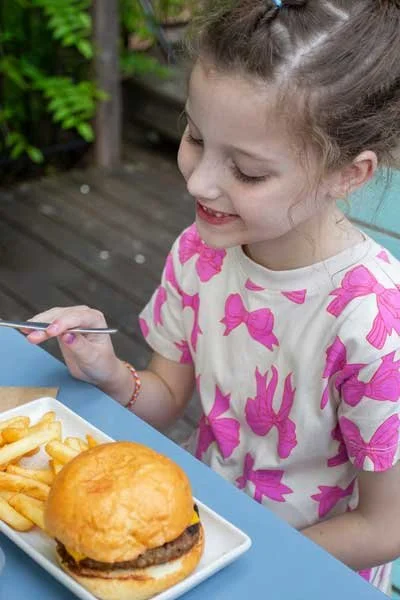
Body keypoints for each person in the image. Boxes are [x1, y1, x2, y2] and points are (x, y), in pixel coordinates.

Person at [23, 0, 400, 594]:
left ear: (347, 174)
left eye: (247, 171)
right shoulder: (202, 253)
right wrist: (113, 374)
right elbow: (168, 396)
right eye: (195, 136)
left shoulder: (373, 323)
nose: (198, 181)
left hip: (306, 572)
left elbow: (387, 525)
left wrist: (241, 555)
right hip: (204, 536)